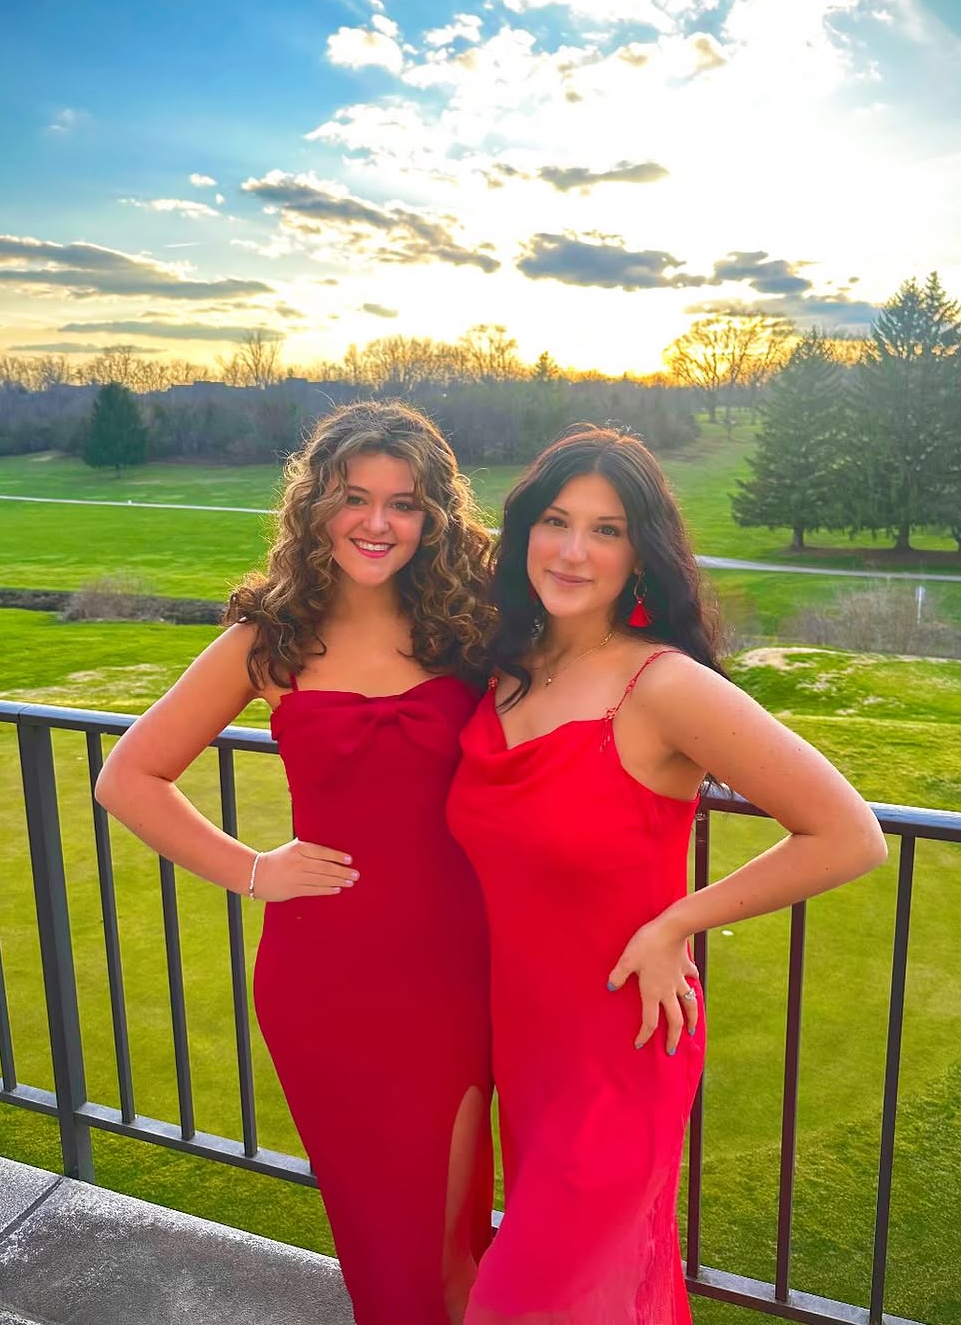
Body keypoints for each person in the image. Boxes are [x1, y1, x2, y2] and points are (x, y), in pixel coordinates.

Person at [447, 426, 888, 1324]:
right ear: (525, 531)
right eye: (556, 520)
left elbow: (849, 834)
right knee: (591, 1299)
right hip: (525, 1048)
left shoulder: (664, 686)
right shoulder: (506, 671)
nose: (573, 550)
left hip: (623, 1041)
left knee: (519, 1302)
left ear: (642, 555)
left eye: (606, 530)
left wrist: (677, 922)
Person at [95, 400, 496, 1325]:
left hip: (452, 972)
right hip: (324, 976)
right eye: (354, 497)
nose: (377, 522)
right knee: (379, 1237)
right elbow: (130, 777)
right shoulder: (270, 638)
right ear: (316, 505)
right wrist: (252, 869)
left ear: (433, 516)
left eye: (404, 503)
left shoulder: (471, 628)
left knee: (449, 1233)